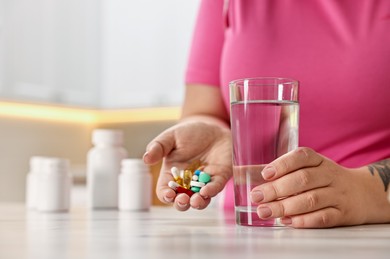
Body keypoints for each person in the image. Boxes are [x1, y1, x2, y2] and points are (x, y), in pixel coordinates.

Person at [143, 0, 390, 228]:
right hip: (246, 234)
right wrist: (214, 132)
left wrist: (365, 192)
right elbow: (202, 109)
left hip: (370, 234)